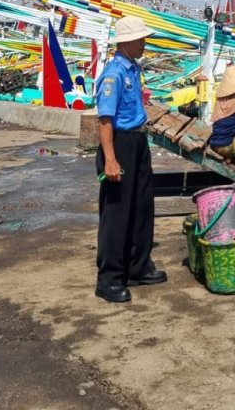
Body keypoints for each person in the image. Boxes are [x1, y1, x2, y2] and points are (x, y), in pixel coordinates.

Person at [94, 16, 166, 304]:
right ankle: (109, 278)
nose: (144, 43)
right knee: (117, 213)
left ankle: (138, 265)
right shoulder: (113, 75)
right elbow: (104, 121)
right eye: (140, 38)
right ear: (126, 43)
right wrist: (110, 159)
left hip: (137, 139)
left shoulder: (133, 69)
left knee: (141, 207)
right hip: (120, 143)